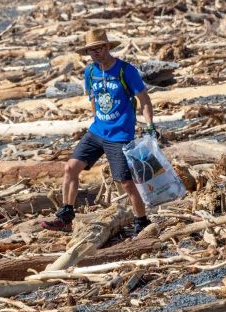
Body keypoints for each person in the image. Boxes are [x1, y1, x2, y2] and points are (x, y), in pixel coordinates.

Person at [41, 29, 157, 234]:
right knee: (70, 168)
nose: (96, 53)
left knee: (126, 182)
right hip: (97, 132)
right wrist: (97, 120)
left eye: (99, 48)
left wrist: (149, 127)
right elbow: (93, 98)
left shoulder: (125, 70)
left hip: (120, 136)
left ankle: (142, 222)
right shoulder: (90, 72)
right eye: (91, 50)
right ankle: (65, 215)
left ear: (107, 47)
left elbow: (145, 101)